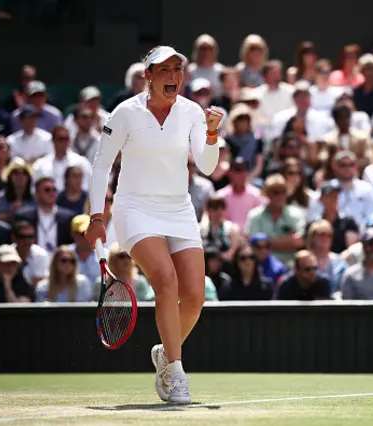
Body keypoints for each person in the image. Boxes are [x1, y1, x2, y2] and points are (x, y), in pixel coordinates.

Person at [84, 46, 224, 405]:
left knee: (195, 296)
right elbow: (101, 166)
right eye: (165, 70)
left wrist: (210, 134)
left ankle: (164, 352)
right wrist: (97, 217)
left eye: (178, 69)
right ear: (148, 76)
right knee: (166, 279)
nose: (174, 76)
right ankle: (175, 371)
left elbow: (207, 167)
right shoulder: (125, 113)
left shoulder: (193, 111)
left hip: (178, 209)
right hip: (134, 209)